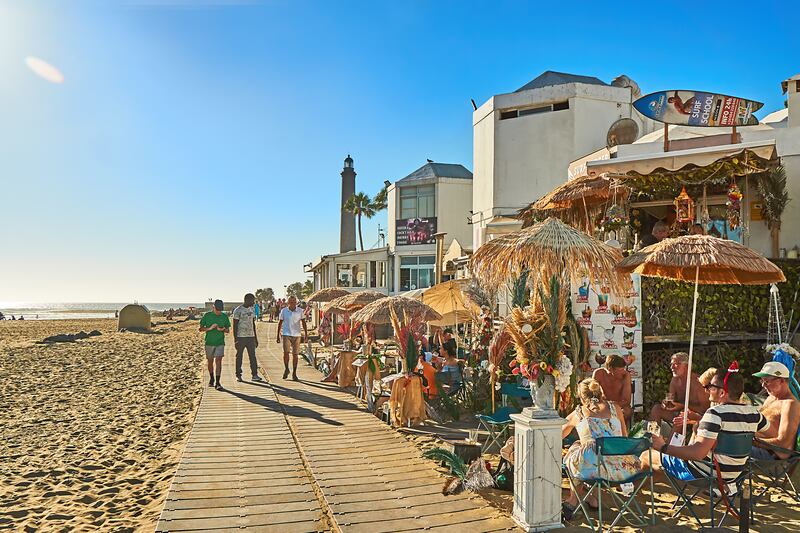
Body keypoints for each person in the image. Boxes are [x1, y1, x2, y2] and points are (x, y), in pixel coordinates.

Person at [647, 365, 768, 491]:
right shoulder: (755, 414)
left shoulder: (715, 413)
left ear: (722, 392)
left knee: (647, 456)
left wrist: (663, 447)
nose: (708, 389)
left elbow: (697, 453)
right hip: (736, 475)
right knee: (658, 466)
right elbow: (772, 433)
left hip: (706, 474)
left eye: (711, 387)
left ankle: (629, 493)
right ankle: (632, 490)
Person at [561, 378, 639, 519]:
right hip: (623, 470)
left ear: (581, 396)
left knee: (577, 452)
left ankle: (573, 500)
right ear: (600, 392)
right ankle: (593, 499)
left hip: (595, 470)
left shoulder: (579, 413)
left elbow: (558, 433)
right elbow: (624, 438)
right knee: (595, 451)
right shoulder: (615, 408)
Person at [648, 352, 709, 430]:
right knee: (656, 408)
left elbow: (705, 409)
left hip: (697, 416)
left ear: (686, 366)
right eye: (671, 364)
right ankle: (653, 436)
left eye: (676, 364)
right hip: (680, 413)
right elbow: (670, 398)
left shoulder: (698, 382)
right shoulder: (674, 380)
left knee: (681, 416)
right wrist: (666, 402)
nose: (672, 367)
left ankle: (671, 442)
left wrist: (683, 406)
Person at [752, 361, 800, 460]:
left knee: (726, 446)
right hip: (757, 446)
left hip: (772, 455)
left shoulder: (790, 404)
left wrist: (751, 441)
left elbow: (783, 442)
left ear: (781, 381)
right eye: (762, 381)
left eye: (767, 381)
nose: (763, 385)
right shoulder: (771, 398)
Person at [199, 299, 231, 390]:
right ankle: (211, 378)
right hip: (209, 342)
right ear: (213, 307)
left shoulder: (224, 316)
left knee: (218, 361)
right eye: (217, 310)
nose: (218, 312)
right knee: (210, 361)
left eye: (220, 310)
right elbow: (200, 329)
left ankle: (218, 382)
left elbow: (228, 330)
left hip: (220, 342)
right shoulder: (207, 316)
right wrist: (209, 328)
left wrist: (223, 329)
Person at [276, 295, 308, 380]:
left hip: (297, 335)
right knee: (286, 353)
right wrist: (278, 335)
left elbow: (304, 322)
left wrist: (306, 334)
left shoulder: (300, 311)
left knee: (295, 355)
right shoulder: (284, 311)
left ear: (296, 302)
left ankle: (294, 373)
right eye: (291, 302)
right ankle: (286, 369)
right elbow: (280, 323)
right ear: (288, 302)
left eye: (294, 302)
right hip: (286, 334)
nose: (293, 303)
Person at [593, 354, 633, 420]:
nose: (622, 372)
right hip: (604, 405)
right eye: (620, 370)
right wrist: (603, 405)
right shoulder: (599, 373)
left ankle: (620, 429)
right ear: (610, 369)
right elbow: (593, 394)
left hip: (619, 406)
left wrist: (612, 406)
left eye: (623, 369)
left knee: (627, 411)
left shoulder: (626, 375)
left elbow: (626, 401)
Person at [232, 293, 261, 382]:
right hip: (241, 337)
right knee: (239, 356)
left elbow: (253, 324)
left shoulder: (252, 309)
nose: (253, 302)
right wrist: (235, 340)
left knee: (252, 356)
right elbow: (234, 325)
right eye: (252, 300)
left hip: (251, 337)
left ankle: (254, 375)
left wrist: (255, 338)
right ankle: (238, 375)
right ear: (247, 300)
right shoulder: (238, 310)